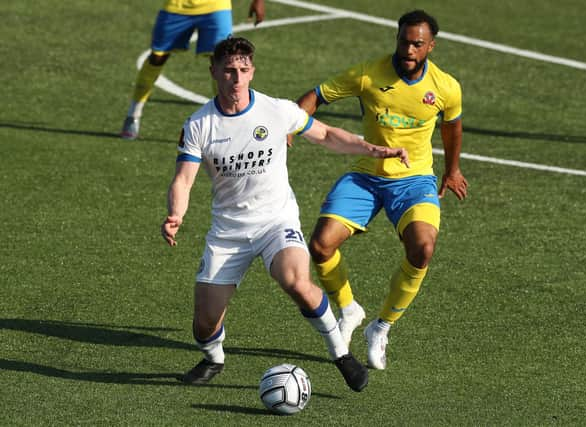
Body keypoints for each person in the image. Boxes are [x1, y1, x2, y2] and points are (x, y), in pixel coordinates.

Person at [161, 37, 410, 391]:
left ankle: (341, 354)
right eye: (229, 71)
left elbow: (326, 135)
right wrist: (176, 215)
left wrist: (373, 149)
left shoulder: (275, 110)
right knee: (204, 324)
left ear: (252, 72)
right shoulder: (200, 124)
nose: (236, 79)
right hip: (228, 232)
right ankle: (214, 357)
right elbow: (183, 181)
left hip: (275, 221)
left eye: (243, 71)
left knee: (295, 280)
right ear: (214, 71)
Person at [295, 10, 468, 370]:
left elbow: (451, 127)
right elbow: (315, 96)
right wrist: (292, 125)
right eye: (404, 40)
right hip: (366, 174)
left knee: (422, 248)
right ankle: (348, 309)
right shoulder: (367, 74)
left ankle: (381, 326)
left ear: (430, 46)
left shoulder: (445, 87)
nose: (409, 49)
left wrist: (452, 170)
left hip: (414, 180)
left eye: (417, 44)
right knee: (320, 245)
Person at [120, 0, 265, 140]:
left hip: (216, 6)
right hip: (177, 6)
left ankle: (228, 120)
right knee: (157, 58)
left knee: (222, 61)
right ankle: (134, 114)